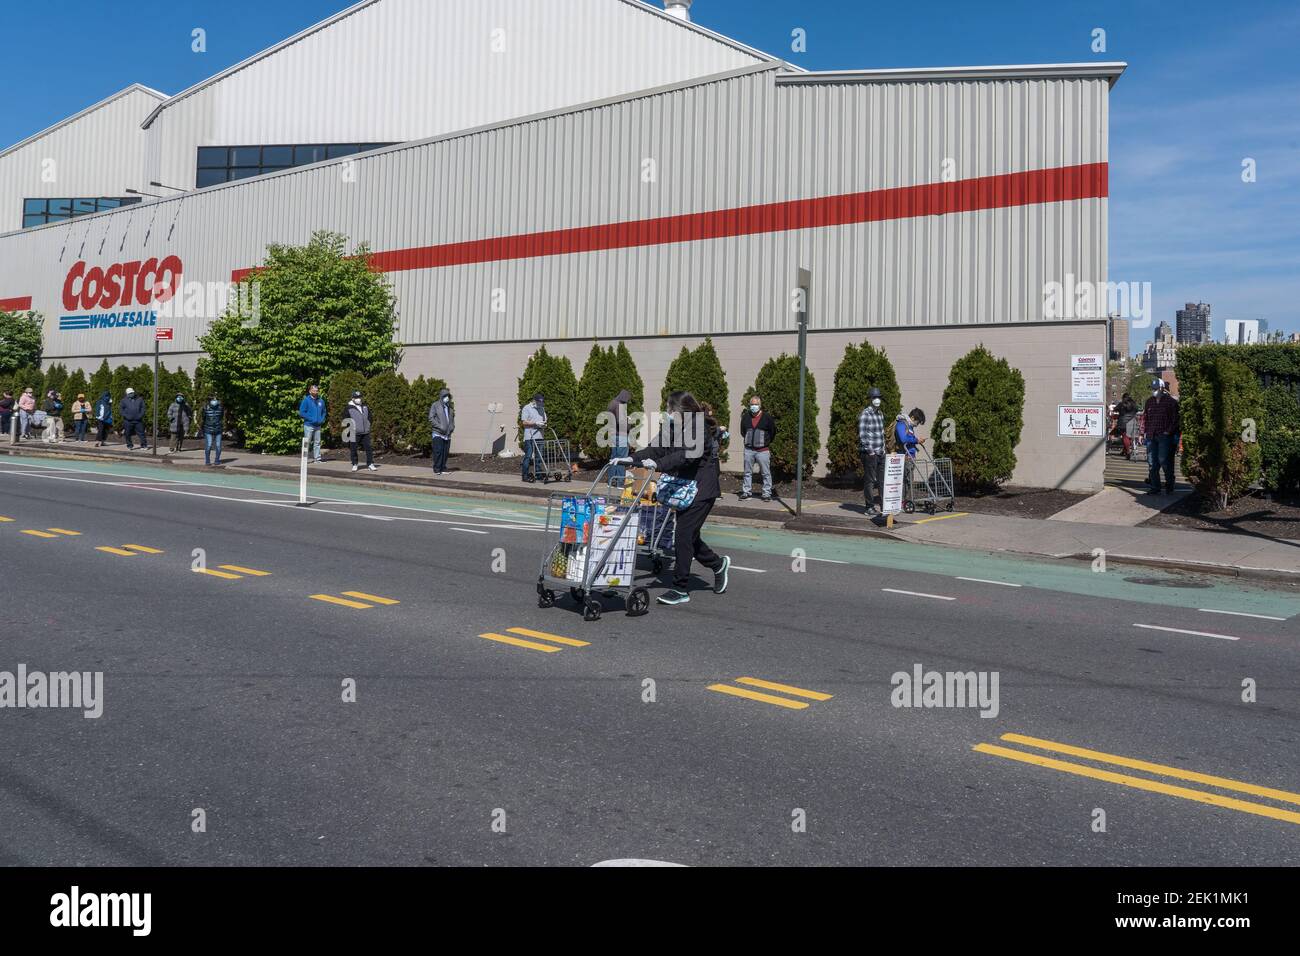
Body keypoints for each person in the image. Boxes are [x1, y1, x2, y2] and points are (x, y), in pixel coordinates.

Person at [621, 391, 730, 606]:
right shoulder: (672, 427)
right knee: (689, 537)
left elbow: (688, 456)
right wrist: (631, 458)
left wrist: (659, 465)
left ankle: (680, 588)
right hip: (683, 489)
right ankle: (718, 565)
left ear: (681, 411)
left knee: (683, 535)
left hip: (701, 489)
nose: (668, 414)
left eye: (670, 410)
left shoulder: (698, 428)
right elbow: (657, 448)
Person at [1142, 378, 1178, 494]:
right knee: (1152, 462)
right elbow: (1145, 418)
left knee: (1164, 461)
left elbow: (1175, 419)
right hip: (1151, 435)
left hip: (1164, 436)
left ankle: (1169, 484)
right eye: (1152, 389)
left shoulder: (1171, 402)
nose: (1154, 391)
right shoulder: (1149, 402)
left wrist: (1168, 431)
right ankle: (1155, 487)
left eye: (1156, 389)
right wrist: (1143, 433)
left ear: (1162, 388)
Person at [739, 393, 776, 502]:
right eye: (751, 404)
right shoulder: (746, 417)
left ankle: (766, 493)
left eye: (755, 404)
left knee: (765, 472)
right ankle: (746, 492)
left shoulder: (767, 417)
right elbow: (743, 431)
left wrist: (766, 442)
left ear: (760, 405)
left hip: (762, 451)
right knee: (747, 472)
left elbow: (773, 431)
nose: (753, 406)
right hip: (749, 450)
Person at [857, 387, 886, 515]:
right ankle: (869, 507)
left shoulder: (880, 414)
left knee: (882, 480)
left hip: (880, 452)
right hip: (870, 454)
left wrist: (883, 450)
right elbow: (862, 434)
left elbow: (881, 433)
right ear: (870, 399)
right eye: (874, 397)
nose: (877, 400)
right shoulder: (865, 414)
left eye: (878, 397)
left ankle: (885, 505)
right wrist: (870, 451)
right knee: (870, 481)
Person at [345, 390, 378, 472]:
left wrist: (368, 424)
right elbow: (345, 419)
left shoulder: (365, 406)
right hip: (354, 432)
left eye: (359, 397)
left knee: (369, 448)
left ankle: (370, 464)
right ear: (352, 398)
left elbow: (370, 417)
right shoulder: (348, 408)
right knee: (353, 449)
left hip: (365, 432)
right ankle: (355, 464)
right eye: (356, 398)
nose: (358, 399)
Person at [520, 393, 547, 482]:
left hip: (540, 435)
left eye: (542, 402)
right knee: (528, 456)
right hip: (530, 436)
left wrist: (543, 424)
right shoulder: (527, 408)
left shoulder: (542, 408)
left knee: (539, 456)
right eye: (539, 402)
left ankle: (538, 473)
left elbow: (544, 420)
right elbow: (524, 422)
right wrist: (535, 423)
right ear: (534, 400)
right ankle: (525, 475)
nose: (540, 403)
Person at [607, 388, 632, 483]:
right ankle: (620, 483)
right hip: (621, 435)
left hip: (613, 435)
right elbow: (621, 422)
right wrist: (629, 422)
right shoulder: (620, 405)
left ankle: (611, 481)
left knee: (613, 458)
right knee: (622, 460)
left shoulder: (612, 403)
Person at [298, 384, 327, 463]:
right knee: (307, 443)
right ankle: (304, 459)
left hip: (318, 425)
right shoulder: (306, 400)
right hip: (309, 425)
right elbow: (301, 412)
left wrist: (322, 419)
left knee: (317, 443)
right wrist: (311, 419)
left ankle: (317, 459)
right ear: (310, 391)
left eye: (317, 391)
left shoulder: (321, 400)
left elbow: (324, 411)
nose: (315, 392)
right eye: (314, 390)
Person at [428, 388, 454, 474]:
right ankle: (437, 469)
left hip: (447, 434)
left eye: (448, 396)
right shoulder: (435, 405)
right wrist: (440, 426)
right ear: (441, 396)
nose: (447, 398)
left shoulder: (449, 407)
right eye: (445, 396)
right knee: (438, 451)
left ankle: (443, 468)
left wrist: (452, 427)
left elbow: (451, 419)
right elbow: (431, 418)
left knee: (445, 452)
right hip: (438, 433)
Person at [201, 396, 224, 466]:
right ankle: (207, 461)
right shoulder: (205, 408)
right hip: (208, 429)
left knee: (218, 445)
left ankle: (217, 460)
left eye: (216, 399)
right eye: (213, 399)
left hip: (218, 429)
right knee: (209, 445)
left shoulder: (220, 408)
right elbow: (203, 417)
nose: (214, 400)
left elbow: (221, 417)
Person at [1115, 393, 1138, 459]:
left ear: (1123, 397)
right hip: (1132, 422)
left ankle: (1127, 451)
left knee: (1125, 437)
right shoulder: (1134, 403)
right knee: (1129, 437)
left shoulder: (1122, 403)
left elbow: (1115, 409)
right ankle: (1124, 451)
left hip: (1123, 422)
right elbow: (1137, 410)